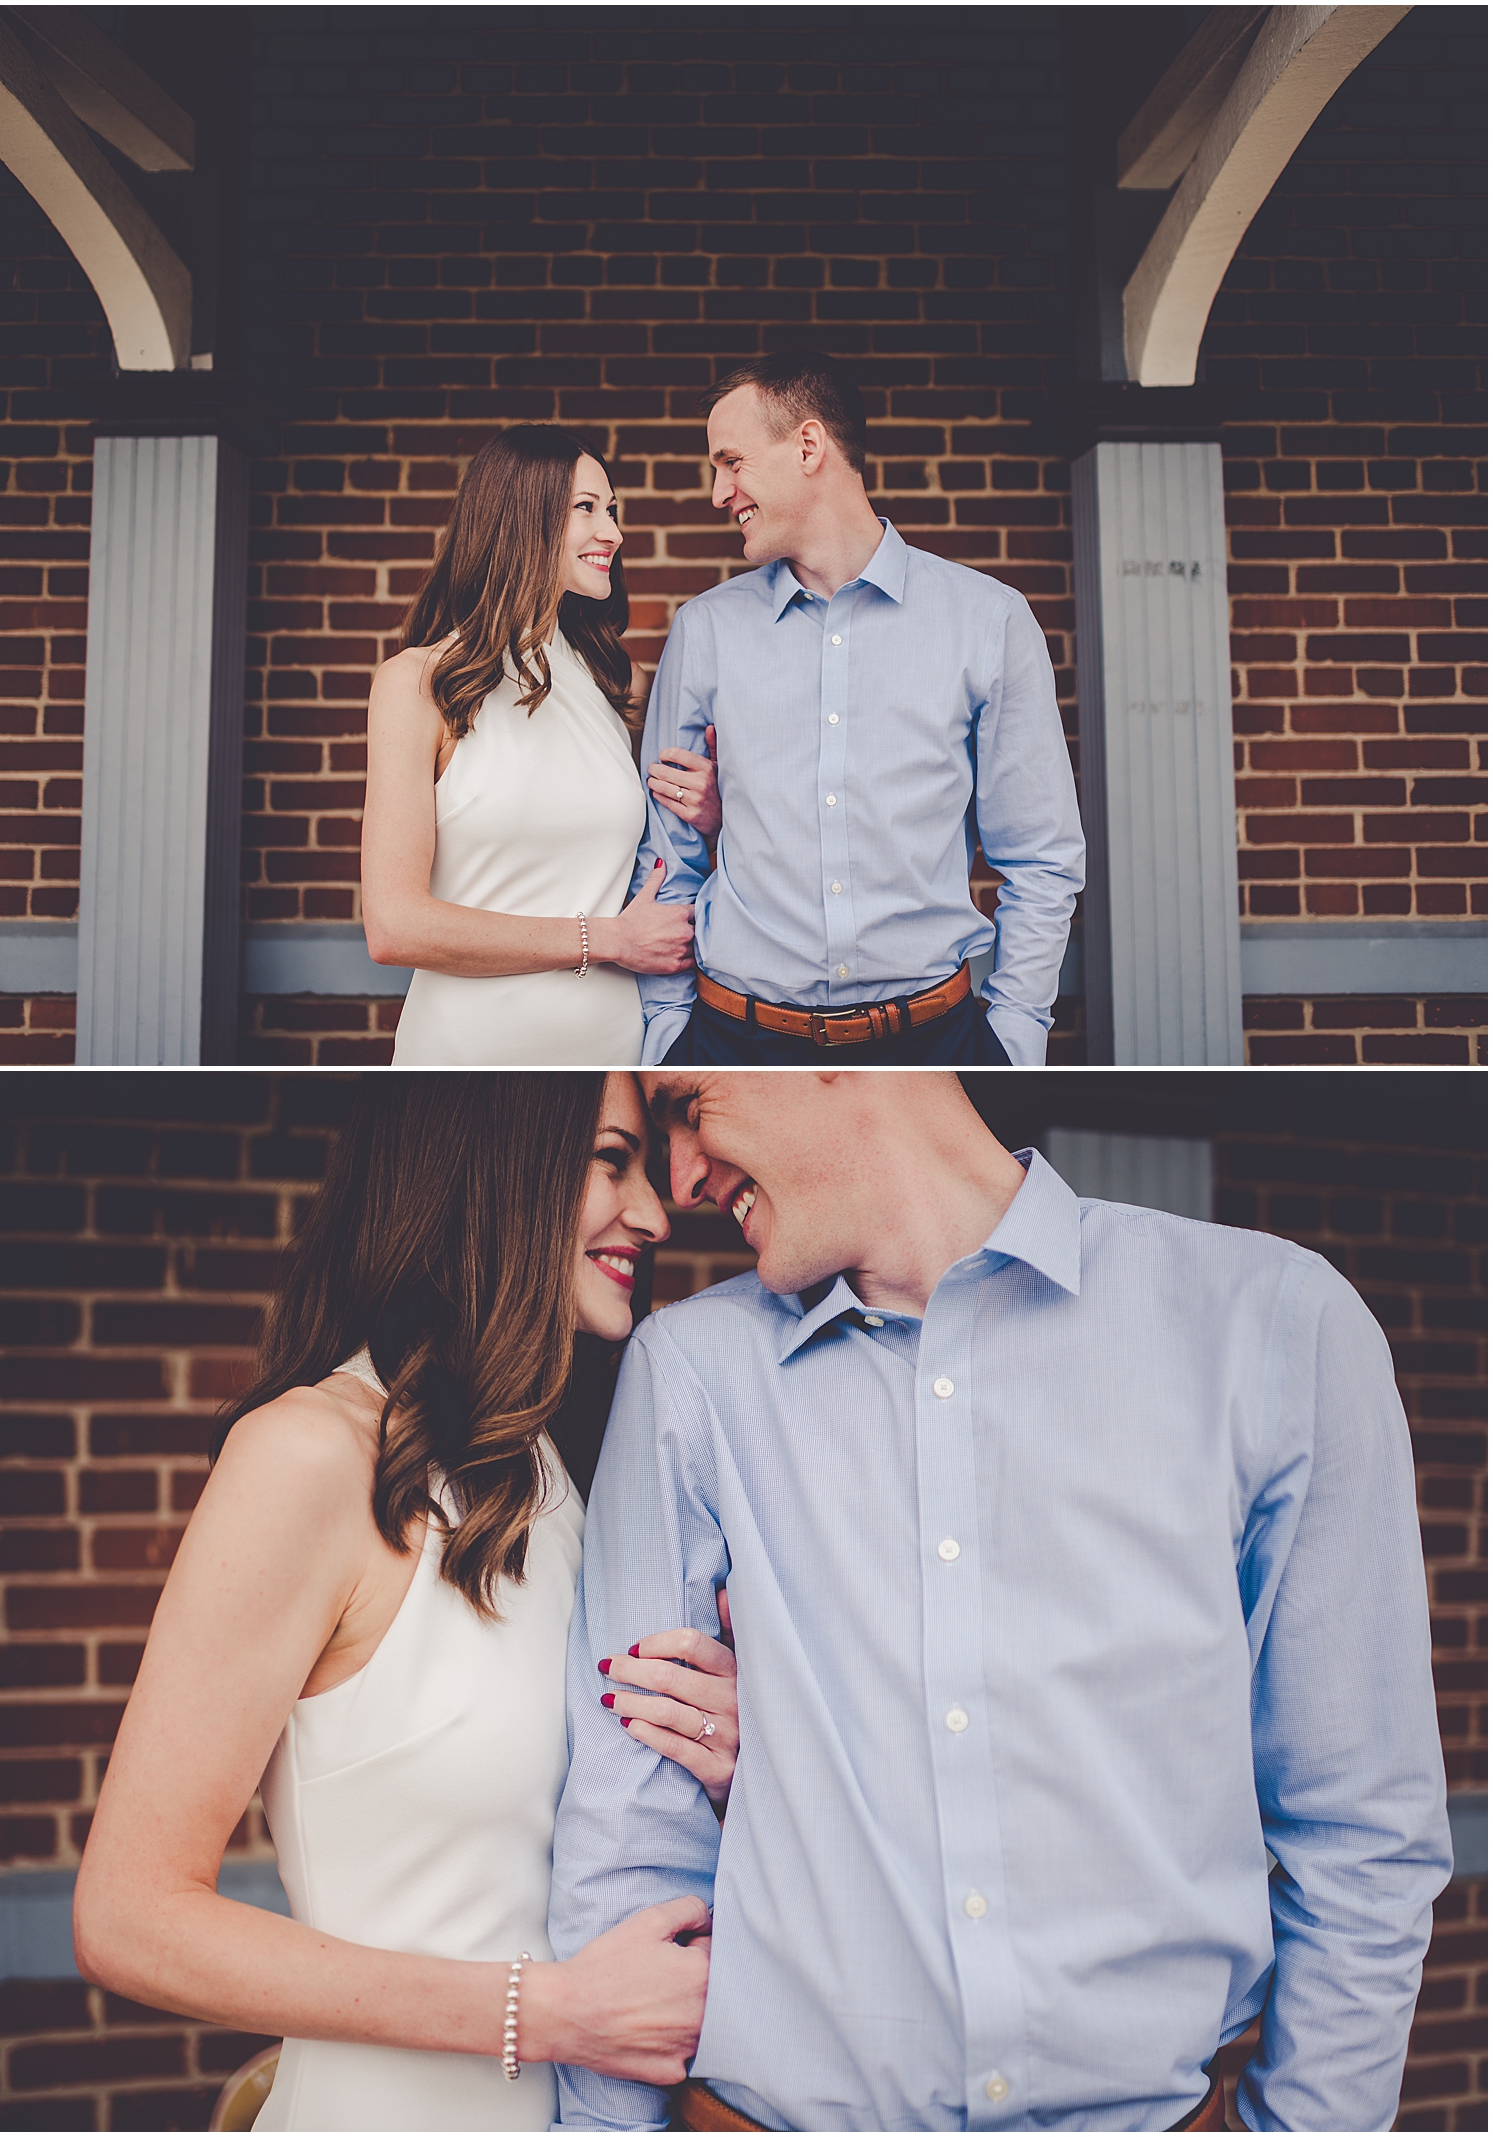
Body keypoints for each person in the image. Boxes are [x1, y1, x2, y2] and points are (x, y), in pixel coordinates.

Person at [549, 1071, 1452, 2132]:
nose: (682, 1182)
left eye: (685, 1109)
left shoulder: (1275, 1327)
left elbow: (1360, 1834)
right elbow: (625, 1848)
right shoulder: (692, 1372)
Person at [74, 1074, 739, 2131]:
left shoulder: (559, 1474)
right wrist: (548, 2013)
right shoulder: (309, 1452)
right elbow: (131, 1918)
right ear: (491, 1161)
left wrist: (727, 1756)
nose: (655, 1214)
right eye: (613, 1161)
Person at [631, 353, 1086, 1068]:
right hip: (734, 1042)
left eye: (731, 462)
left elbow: (1041, 856)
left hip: (935, 1045)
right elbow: (665, 855)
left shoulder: (987, 621)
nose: (719, 492)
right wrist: (668, 1036)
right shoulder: (705, 631)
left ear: (808, 446)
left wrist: (1016, 1033)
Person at [362, 428, 721, 1066]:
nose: (612, 531)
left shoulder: (619, 687)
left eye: (612, 510)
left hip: (610, 1053)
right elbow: (395, 926)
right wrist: (608, 940)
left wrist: (715, 815)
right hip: (469, 1053)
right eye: (586, 508)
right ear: (519, 518)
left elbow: (673, 845)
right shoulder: (417, 685)